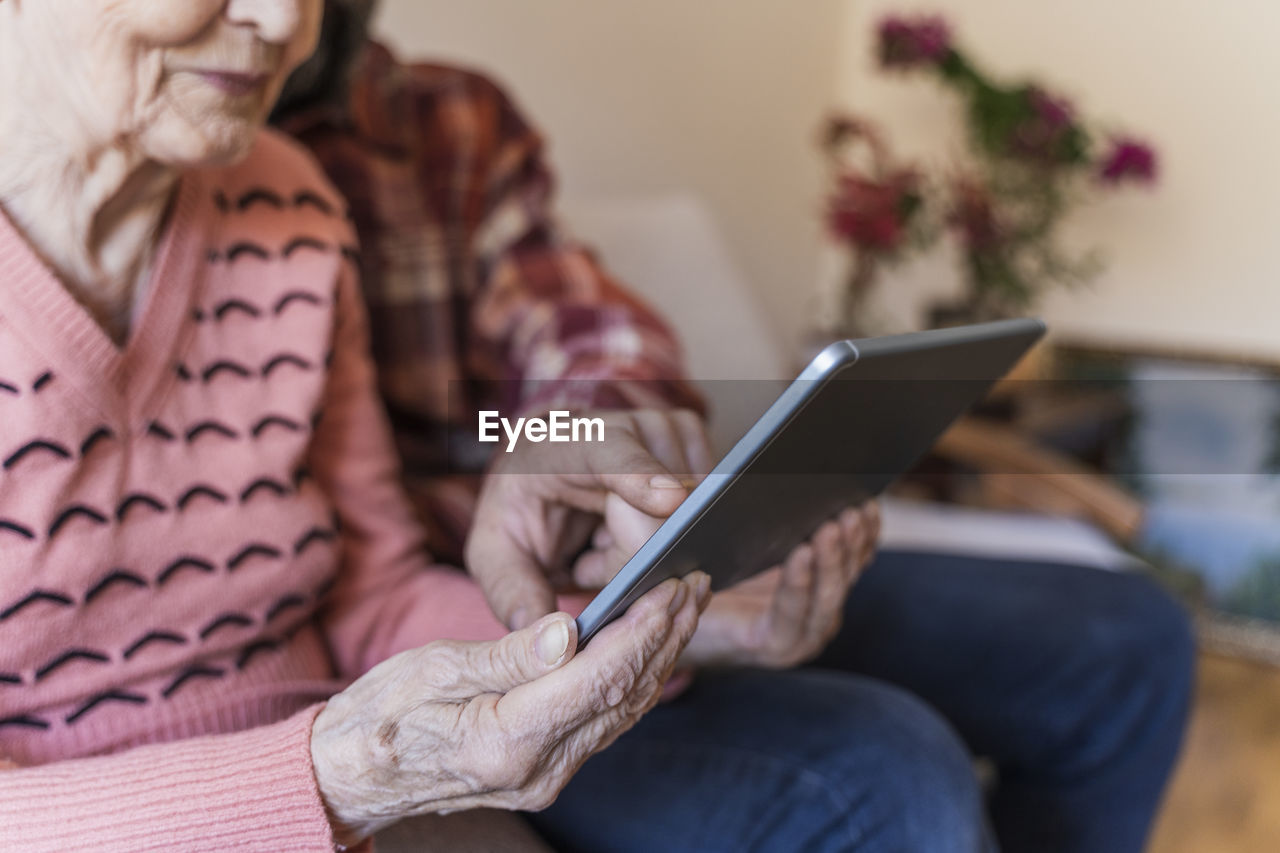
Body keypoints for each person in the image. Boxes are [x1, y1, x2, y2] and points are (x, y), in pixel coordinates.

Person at [272, 3, 1197, 852]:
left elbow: (593, 331)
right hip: (469, 632)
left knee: (1130, 642)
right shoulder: (233, 190)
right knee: (890, 768)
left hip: (626, 575)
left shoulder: (443, 122)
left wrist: (609, 452)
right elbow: (359, 597)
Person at [0, 1, 743, 848]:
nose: (285, 22)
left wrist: (662, 620)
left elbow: (373, 598)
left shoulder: (290, 206)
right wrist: (339, 776)